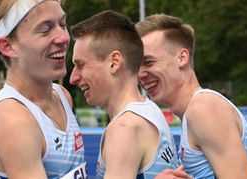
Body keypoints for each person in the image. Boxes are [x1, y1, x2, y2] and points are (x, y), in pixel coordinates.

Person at [136, 14, 247, 178]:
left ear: (182, 58)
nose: (140, 74)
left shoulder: (204, 108)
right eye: (137, 67)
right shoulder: (195, 112)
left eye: (148, 62)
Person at [69, 10, 186, 179]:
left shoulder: (125, 128)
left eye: (81, 65)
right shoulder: (148, 109)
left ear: (114, 63)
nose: (73, 78)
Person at [0, 0, 86, 178]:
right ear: (8, 46)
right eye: (45, 29)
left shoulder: (62, 96)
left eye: (62, 24)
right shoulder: (12, 120)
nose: (64, 37)